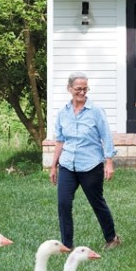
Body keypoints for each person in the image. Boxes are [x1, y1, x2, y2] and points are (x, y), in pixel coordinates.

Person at [50, 72, 121, 250]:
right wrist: (53, 165)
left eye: (85, 88)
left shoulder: (96, 111)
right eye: (78, 89)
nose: (82, 92)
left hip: (90, 164)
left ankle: (112, 238)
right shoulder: (62, 112)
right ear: (69, 89)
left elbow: (106, 136)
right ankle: (67, 245)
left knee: (96, 202)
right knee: (63, 203)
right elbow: (60, 140)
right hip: (67, 164)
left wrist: (109, 162)